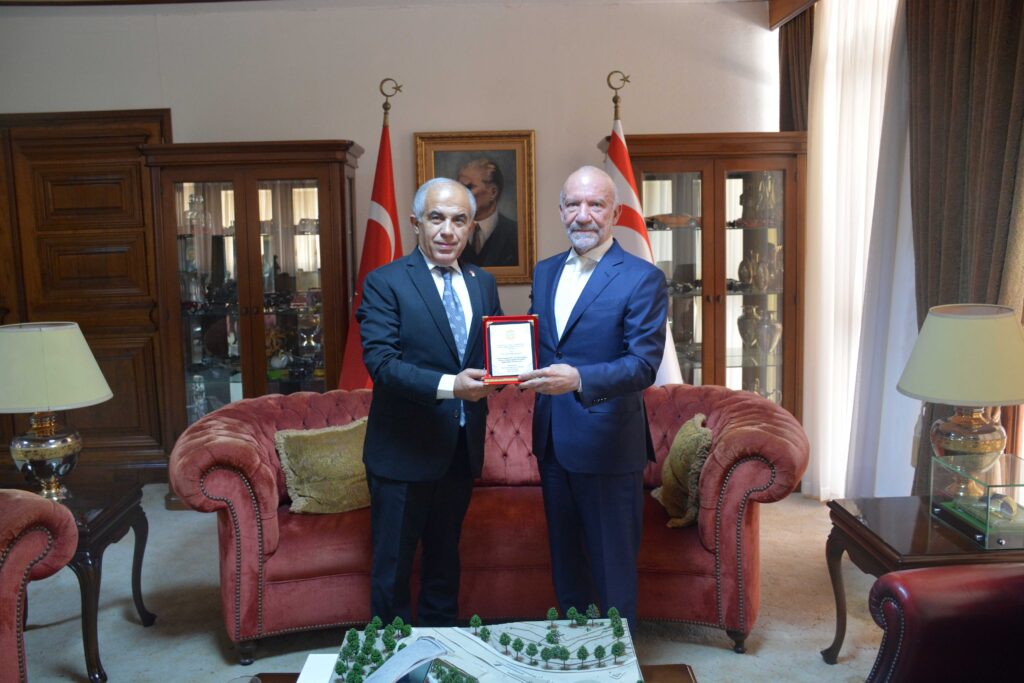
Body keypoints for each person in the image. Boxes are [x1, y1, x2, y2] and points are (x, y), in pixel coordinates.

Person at [518, 165, 667, 631]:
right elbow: (539, 342)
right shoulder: (545, 272)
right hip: (552, 442)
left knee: (611, 570)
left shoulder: (642, 278)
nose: (583, 215)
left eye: (595, 204)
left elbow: (642, 365)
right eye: (573, 204)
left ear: (615, 213)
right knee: (567, 566)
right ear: (561, 210)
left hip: (608, 445)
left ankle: (618, 657)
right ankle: (578, 652)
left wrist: (578, 379)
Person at [357, 177, 502, 626]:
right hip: (403, 452)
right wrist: (452, 386)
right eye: (436, 218)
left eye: (460, 220)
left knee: (444, 561)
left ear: (471, 226)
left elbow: (494, 352)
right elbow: (382, 364)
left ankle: (442, 646)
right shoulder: (385, 282)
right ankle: (391, 653)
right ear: (416, 222)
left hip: (458, 449)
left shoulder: (482, 283)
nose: (447, 231)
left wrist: (509, 373)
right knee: (393, 569)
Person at [457, 157, 519, 267]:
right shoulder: (451, 232)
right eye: (459, 188)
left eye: (469, 187)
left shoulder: (515, 233)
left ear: (493, 192)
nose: (461, 194)